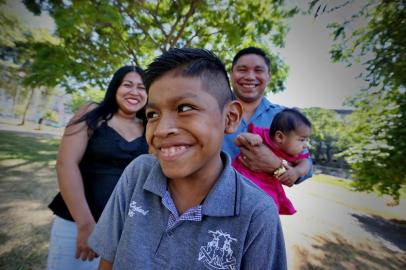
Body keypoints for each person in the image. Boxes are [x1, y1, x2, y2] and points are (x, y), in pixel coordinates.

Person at [89, 48, 287, 269]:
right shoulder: (138, 174)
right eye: (153, 114)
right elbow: (108, 261)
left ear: (230, 118)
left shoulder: (257, 212)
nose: (161, 130)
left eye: (185, 108)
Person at [47, 66, 148, 270]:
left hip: (122, 230)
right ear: (115, 87)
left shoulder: (150, 126)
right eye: (127, 85)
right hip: (75, 224)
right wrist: (85, 226)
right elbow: (66, 165)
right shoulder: (92, 113)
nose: (135, 92)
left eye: (142, 87)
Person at [223, 46, 312, 187]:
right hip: (212, 203)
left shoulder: (286, 118)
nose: (250, 76)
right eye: (242, 69)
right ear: (231, 74)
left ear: (269, 77)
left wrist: (276, 165)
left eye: (258, 70)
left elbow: (306, 165)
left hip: (264, 202)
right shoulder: (211, 110)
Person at [233, 108, 312, 215]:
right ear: (280, 137)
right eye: (302, 140)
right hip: (239, 178)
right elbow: (238, 140)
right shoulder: (262, 136)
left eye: (307, 140)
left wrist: (297, 171)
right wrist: (249, 136)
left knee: (268, 209)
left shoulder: (294, 152)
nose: (306, 145)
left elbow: (305, 163)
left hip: (267, 187)